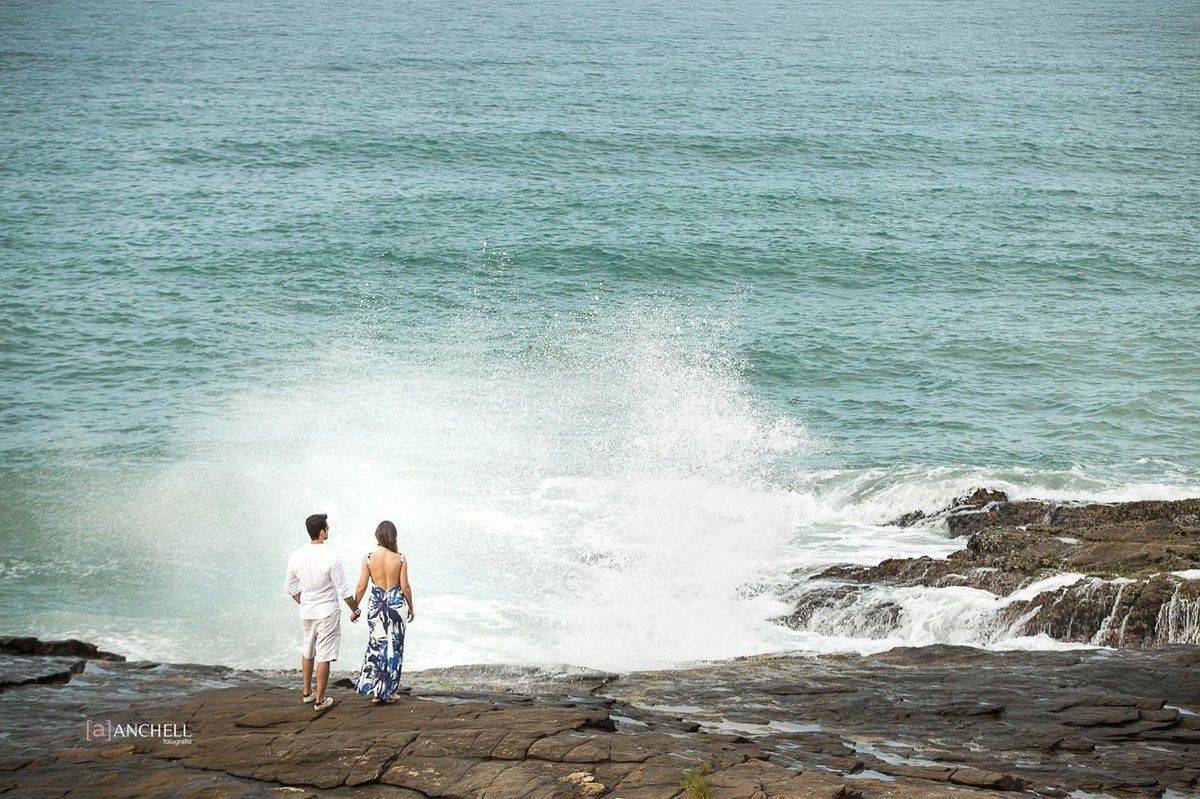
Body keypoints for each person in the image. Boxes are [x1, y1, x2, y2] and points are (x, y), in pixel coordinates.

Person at [284, 513, 360, 712]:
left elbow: (289, 587)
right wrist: (355, 609)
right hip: (327, 611)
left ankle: (307, 693)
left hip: (307, 610)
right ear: (322, 532)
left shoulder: (296, 555)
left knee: (308, 650)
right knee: (324, 655)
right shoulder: (331, 556)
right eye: (327, 527)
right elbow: (343, 590)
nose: (328, 530)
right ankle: (320, 699)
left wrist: (305, 600)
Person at [353, 520, 415, 704]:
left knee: (377, 645)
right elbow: (405, 587)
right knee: (394, 647)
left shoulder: (369, 558)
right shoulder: (401, 558)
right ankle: (390, 692)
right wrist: (411, 607)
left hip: (376, 605)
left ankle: (376, 691)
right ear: (393, 536)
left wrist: (354, 608)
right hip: (396, 605)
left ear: (377, 536)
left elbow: (361, 586)